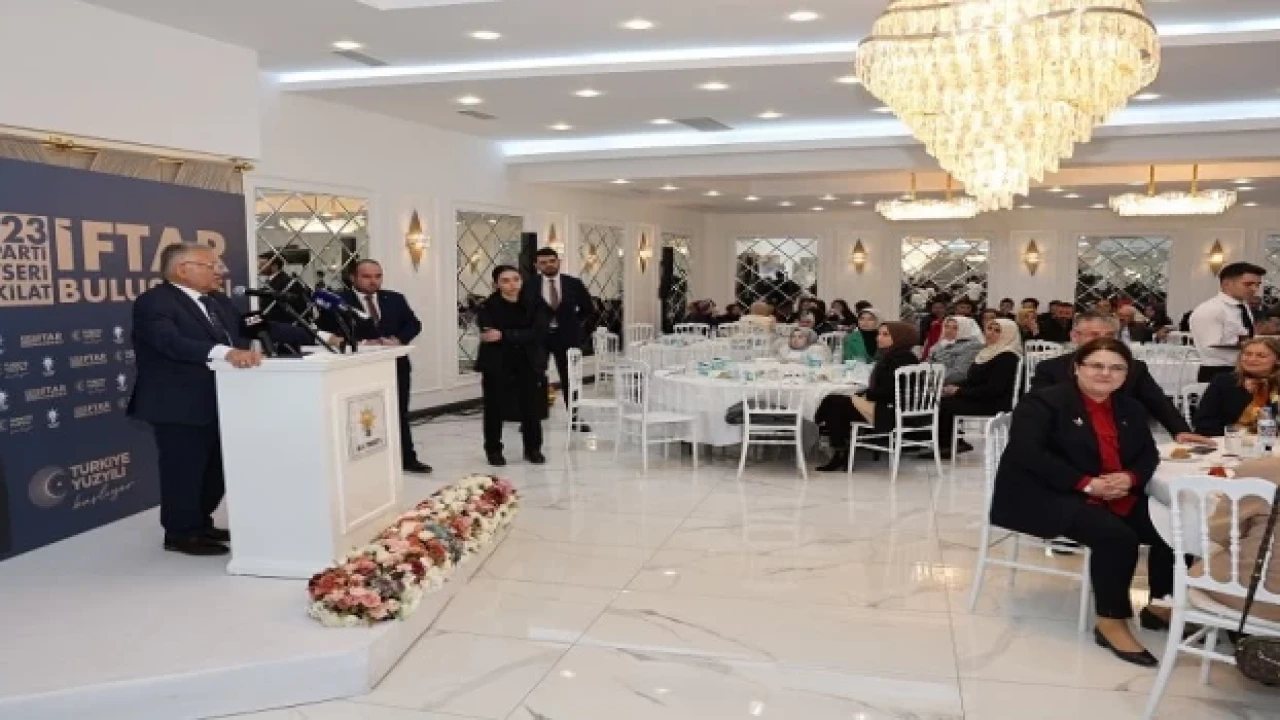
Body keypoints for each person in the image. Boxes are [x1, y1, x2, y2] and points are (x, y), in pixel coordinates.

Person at [991, 338, 1174, 667]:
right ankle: (1111, 621)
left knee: (1173, 526)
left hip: (1113, 491)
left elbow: (1148, 453)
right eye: (1097, 365)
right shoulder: (1042, 403)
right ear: (1077, 368)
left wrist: (1130, 478)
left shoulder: (1130, 408)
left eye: (1116, 368)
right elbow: (1029, 454)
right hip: (1048, 493)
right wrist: (1087, 484)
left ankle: (1161, 605)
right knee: (1116, 537)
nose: (1106, 373)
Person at [129, 244, 320, 556]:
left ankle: (200, 523)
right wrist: (227, 353)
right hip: (179, 403)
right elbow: (170, 342)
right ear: (183, 269)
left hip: (224, 400)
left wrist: (317, 336)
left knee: (216, 468)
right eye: (211, 265)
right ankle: (180, 533)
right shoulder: (154, 302)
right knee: (185, 470)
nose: (220, 271)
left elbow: (255, 326)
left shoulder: (218, 301)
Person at [1031, 312, 1210, 445]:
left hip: (1121, 441)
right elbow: (1038, 412)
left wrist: (1180, 431)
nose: (1102, 341)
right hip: (1066, 441)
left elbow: (1159, 403)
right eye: (1094, 335)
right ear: (1075, 337)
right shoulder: (1050, 369)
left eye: (1109, 335)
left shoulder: (1134, 368)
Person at [333, 259, 431, 474]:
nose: (373, 281)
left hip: (395, 364)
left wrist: (398, 339)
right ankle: (366, 464)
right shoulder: (340, 301)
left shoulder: (394, 299)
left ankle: (407, 458)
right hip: (357, 367)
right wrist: (361, 343)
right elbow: (329, 331)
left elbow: (414, 324)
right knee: (362, 416)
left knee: (399, 412)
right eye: (367, 277)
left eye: (378, 276)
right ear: (353, 278)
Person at [816, 323, 921, 472]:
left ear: (899, 337)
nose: (879, 338)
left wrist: (867, 394)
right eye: (879, 334)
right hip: (896, 408)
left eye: (885, 334)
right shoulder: (903, 356)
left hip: (890, 412)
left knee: (834, 403)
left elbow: (889, 391)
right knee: (836, 403)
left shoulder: (899, 359)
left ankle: (837, 447)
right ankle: (837, 445)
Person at [475, 265, 551, 467]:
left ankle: (533, 449)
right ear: (496, 284)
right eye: (506, 280)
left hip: (528, 362)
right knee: (494, 408)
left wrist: (505, 335)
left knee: (531, 407)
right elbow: (489, 334)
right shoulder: (487, 306)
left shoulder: (535, 303)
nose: (512, 284)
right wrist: (520, 334)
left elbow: (539, 332)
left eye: (516, 279)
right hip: (497, 363)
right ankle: (493, 450)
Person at [1197, 455, 1280, 622]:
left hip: (1262, 593)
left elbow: (1219, 532)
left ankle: (1169, 614)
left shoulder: (1259, 469)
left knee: (1201, 567)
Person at [523, 248, 592, 422]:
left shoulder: (574, 283)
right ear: (537, 265)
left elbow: (588, 308)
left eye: (552, 261)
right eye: (543, 262)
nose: (548, 265)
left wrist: (572, 324)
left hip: (567, 338)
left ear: (558, 261)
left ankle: (575, 418)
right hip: (539, 339)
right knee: (535, 378)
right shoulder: (529, 285)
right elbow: (522, 311)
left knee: (571, 378)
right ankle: (533, 418)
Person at [937, 318, 1023, 458]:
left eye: (997, 331)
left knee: (947, 405)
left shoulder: (1008, 357)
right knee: (943, 400)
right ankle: (949, 443)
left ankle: (946, 447)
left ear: (1008, 334)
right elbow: (973, 380)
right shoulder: (987, 352)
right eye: (989, 329)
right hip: (982, 397)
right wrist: (953, 388)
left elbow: (995, 389)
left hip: (996, 402)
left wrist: (960, 391)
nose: (991, 333)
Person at [1190, 262, 1267, 382]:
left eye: (1257, 285)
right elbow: (1210, 349)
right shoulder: (1210, 309)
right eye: (1248, 284)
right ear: (1227, 284)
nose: (1255, 289)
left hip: (1242, 369)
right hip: (1218, 371)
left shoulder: (1243, 306)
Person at [1192, 337, 1280, 437]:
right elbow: (1203, 423)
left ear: (1277, 360)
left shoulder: (1276, 386)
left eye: (1261, 356)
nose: (1252, 359)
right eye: (1247, 354)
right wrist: (1238, 432)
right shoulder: (1223, 381)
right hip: (1229, 441)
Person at [255, 253, 310, 326]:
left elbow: (300, 306)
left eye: (263, 264)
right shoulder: (270, 281)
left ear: (275, 266)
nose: (259, 267)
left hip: (283, 326)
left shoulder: (287, 282)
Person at [930, 316, 983, 384]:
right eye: (946, 326)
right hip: (932, 381)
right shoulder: (943, 342)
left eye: (955, 328)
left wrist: (932, 379)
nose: (948, 331)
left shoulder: (972, 346)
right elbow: (930, 361)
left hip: (950, 385)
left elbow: (959, 373)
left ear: (965, 329)